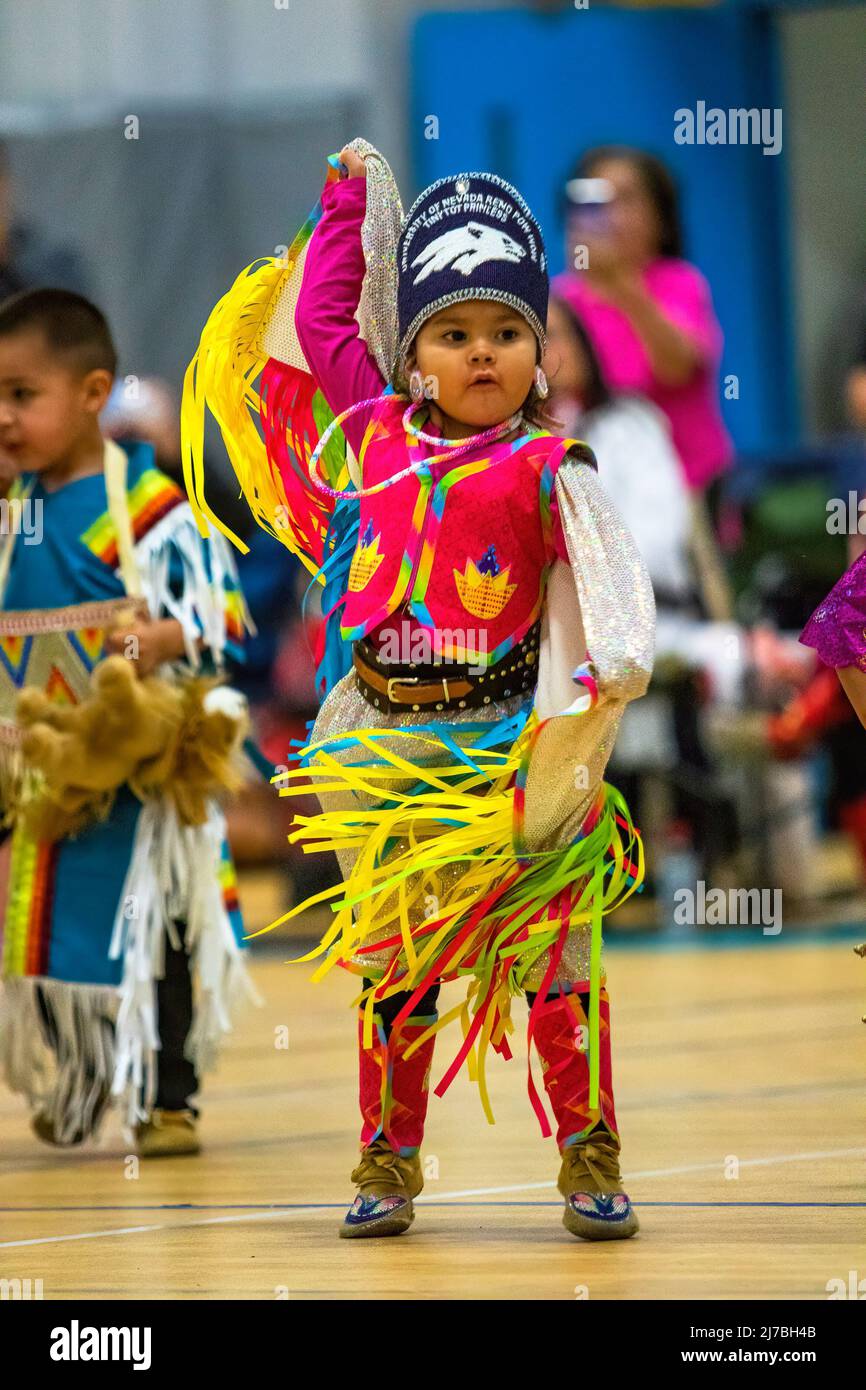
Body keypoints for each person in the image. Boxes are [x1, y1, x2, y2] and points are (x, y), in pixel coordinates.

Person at [183, 141, 656, 1241]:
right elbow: (327, 322)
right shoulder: (373, 433)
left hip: (506, 755)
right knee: (393, 973)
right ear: (412, 359)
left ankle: (589, 1153)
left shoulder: (550, 469)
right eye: (451, 334)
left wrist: (585, 707)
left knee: (557, 963)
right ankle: (386, 1164)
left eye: (504, 332)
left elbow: (609, 602)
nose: (479, 353)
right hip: (389, 749)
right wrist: (347, 200)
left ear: (539, 352)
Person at [0, 288, 251, 1154]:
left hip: (142, 775)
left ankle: (164, 1095)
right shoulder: (9, 513)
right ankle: (76, 1078)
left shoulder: (143, 504)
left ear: (91, 390)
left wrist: (145, 645)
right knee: (46, 932)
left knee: (159, 932)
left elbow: (218, 618)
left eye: (21, 395)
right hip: (45, 771)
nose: (3, 417)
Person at [554, 146, 733, 518]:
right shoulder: (560, 301)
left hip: (690, 496)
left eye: (627, 199)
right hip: (602, 497)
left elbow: (676, 367)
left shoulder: (680, 285)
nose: (611, 215)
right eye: (598, 199)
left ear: (660, 219)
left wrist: (623, 285)